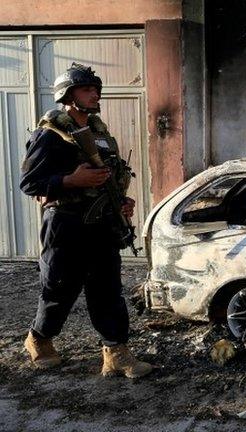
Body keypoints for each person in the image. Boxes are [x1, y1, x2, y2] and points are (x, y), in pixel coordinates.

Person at [19, 63, 153, 379]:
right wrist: (70, 181)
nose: (94, 94)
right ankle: (38, 339)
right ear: (68, 95)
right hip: (65, 224)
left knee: (107, 289)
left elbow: (112, 175)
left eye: (96, 90)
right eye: (86, 89)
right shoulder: (50, 135)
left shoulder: (99, 134)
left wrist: (121, 201)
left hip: (102, 223)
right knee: (59, 288)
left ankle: (116, 353)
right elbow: (29, 183)